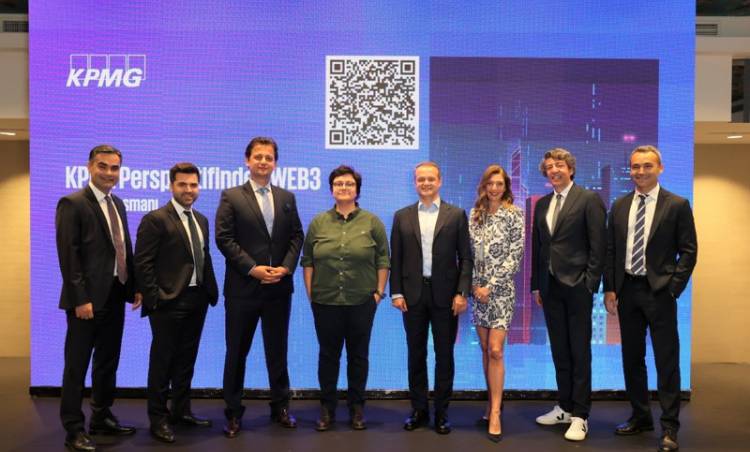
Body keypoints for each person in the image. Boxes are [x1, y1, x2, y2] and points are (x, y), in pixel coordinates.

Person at [604, 145, 697, 452]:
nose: (640, 172)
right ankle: (641, 417)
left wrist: (673, 288)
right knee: (632, 359)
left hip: (660, 293)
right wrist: (610, 288)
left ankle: (669, 427)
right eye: (635, 166)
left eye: (647, 166)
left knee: (666, 361)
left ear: (660, 168)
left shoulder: (677, 205)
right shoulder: (620, 205)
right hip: (627, 291)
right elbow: (611, 251)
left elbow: (689, 251)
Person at [215, 137, 304, 438]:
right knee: (236, 352)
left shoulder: (287, 197)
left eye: (269, 157)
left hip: (278, 288)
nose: (263, 162)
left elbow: (296, 237)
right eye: (258, 157)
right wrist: (252, 269)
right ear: (247, 160)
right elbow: (224, 238)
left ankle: (280, 407)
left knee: (277, 351)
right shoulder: (231, 196)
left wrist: (286, 267)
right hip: (243, 289)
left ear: (275, 163)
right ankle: (233, 412)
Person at [55, 145, 141, 452]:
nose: (109, 173)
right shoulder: (73, 203)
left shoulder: (117, 203)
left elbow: (123, 248)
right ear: (90, 167)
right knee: (76, 367)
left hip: (115, 295)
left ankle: (101, 416)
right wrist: (80, 298)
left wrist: (134, 286)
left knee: (107, 362)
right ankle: (73, 429)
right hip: (86, 302)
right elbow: (69, 256)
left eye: (115, 168)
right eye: (102, 166)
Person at [134, 163, 219, 443]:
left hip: (198, 299)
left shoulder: (201, 219)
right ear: (172, 186)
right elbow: (143, 263)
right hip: (168, 303)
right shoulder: (155, 219)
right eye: (182, 184)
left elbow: (202, 257)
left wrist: (209, 291)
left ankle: (181, 412)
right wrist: (155, 298)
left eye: (193, 185)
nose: (188, 190)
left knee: (186, 360)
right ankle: (158, 419)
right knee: (163, 363)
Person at [301, 165, 389, 432]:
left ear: (357, 190)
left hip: (362, 301)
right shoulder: (319, 222)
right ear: (331, 189)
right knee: (328, 356)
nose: (344, 188)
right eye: (339, 184)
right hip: (325, 301)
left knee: (358, 357)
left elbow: (383, 260)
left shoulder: (372, 222)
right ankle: (327, 409)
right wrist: (312, 295)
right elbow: (308, 261)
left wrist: (378, 293)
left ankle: (356, 408)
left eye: (349, 184)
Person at [390, 161, 472, 435]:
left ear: (440, 181)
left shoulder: (456, 215)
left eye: (430, 179)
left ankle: (442, 413)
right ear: (415, 182)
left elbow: (466, 258)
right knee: (416, 354)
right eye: (420, 179)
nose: (425, 183)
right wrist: (396, 292)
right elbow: (396, 258)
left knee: (444, 355)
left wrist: (462, 292)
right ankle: (419, 410)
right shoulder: (402, 216)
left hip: (446, 297)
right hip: (412, 295)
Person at [530, 148, 606, 441]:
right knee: (560, 350)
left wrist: (590, 283)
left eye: (559, 165)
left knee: (579, 352)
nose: (554, 170)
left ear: (571, 169)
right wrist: (537, 284)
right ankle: (564, 406)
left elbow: (599, 245)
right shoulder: (543, 204)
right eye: (549, 166)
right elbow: (539, 246)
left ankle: (581, 415)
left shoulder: (588, 199)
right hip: (550, 288)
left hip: (578, 287)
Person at [468, 164, 524, 442]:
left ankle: (496, 414)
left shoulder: (514, 214)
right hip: (477, 292)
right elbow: (467, 254)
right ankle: (491, 404)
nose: (494, 188)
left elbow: (515, 255)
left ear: (506, 187)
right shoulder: (475, 215)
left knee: (495, 350)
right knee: (484, 349)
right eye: (490, 183)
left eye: (499, 184)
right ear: (484, 186)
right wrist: (474, 287)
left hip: (500, 292)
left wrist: (490, 286)